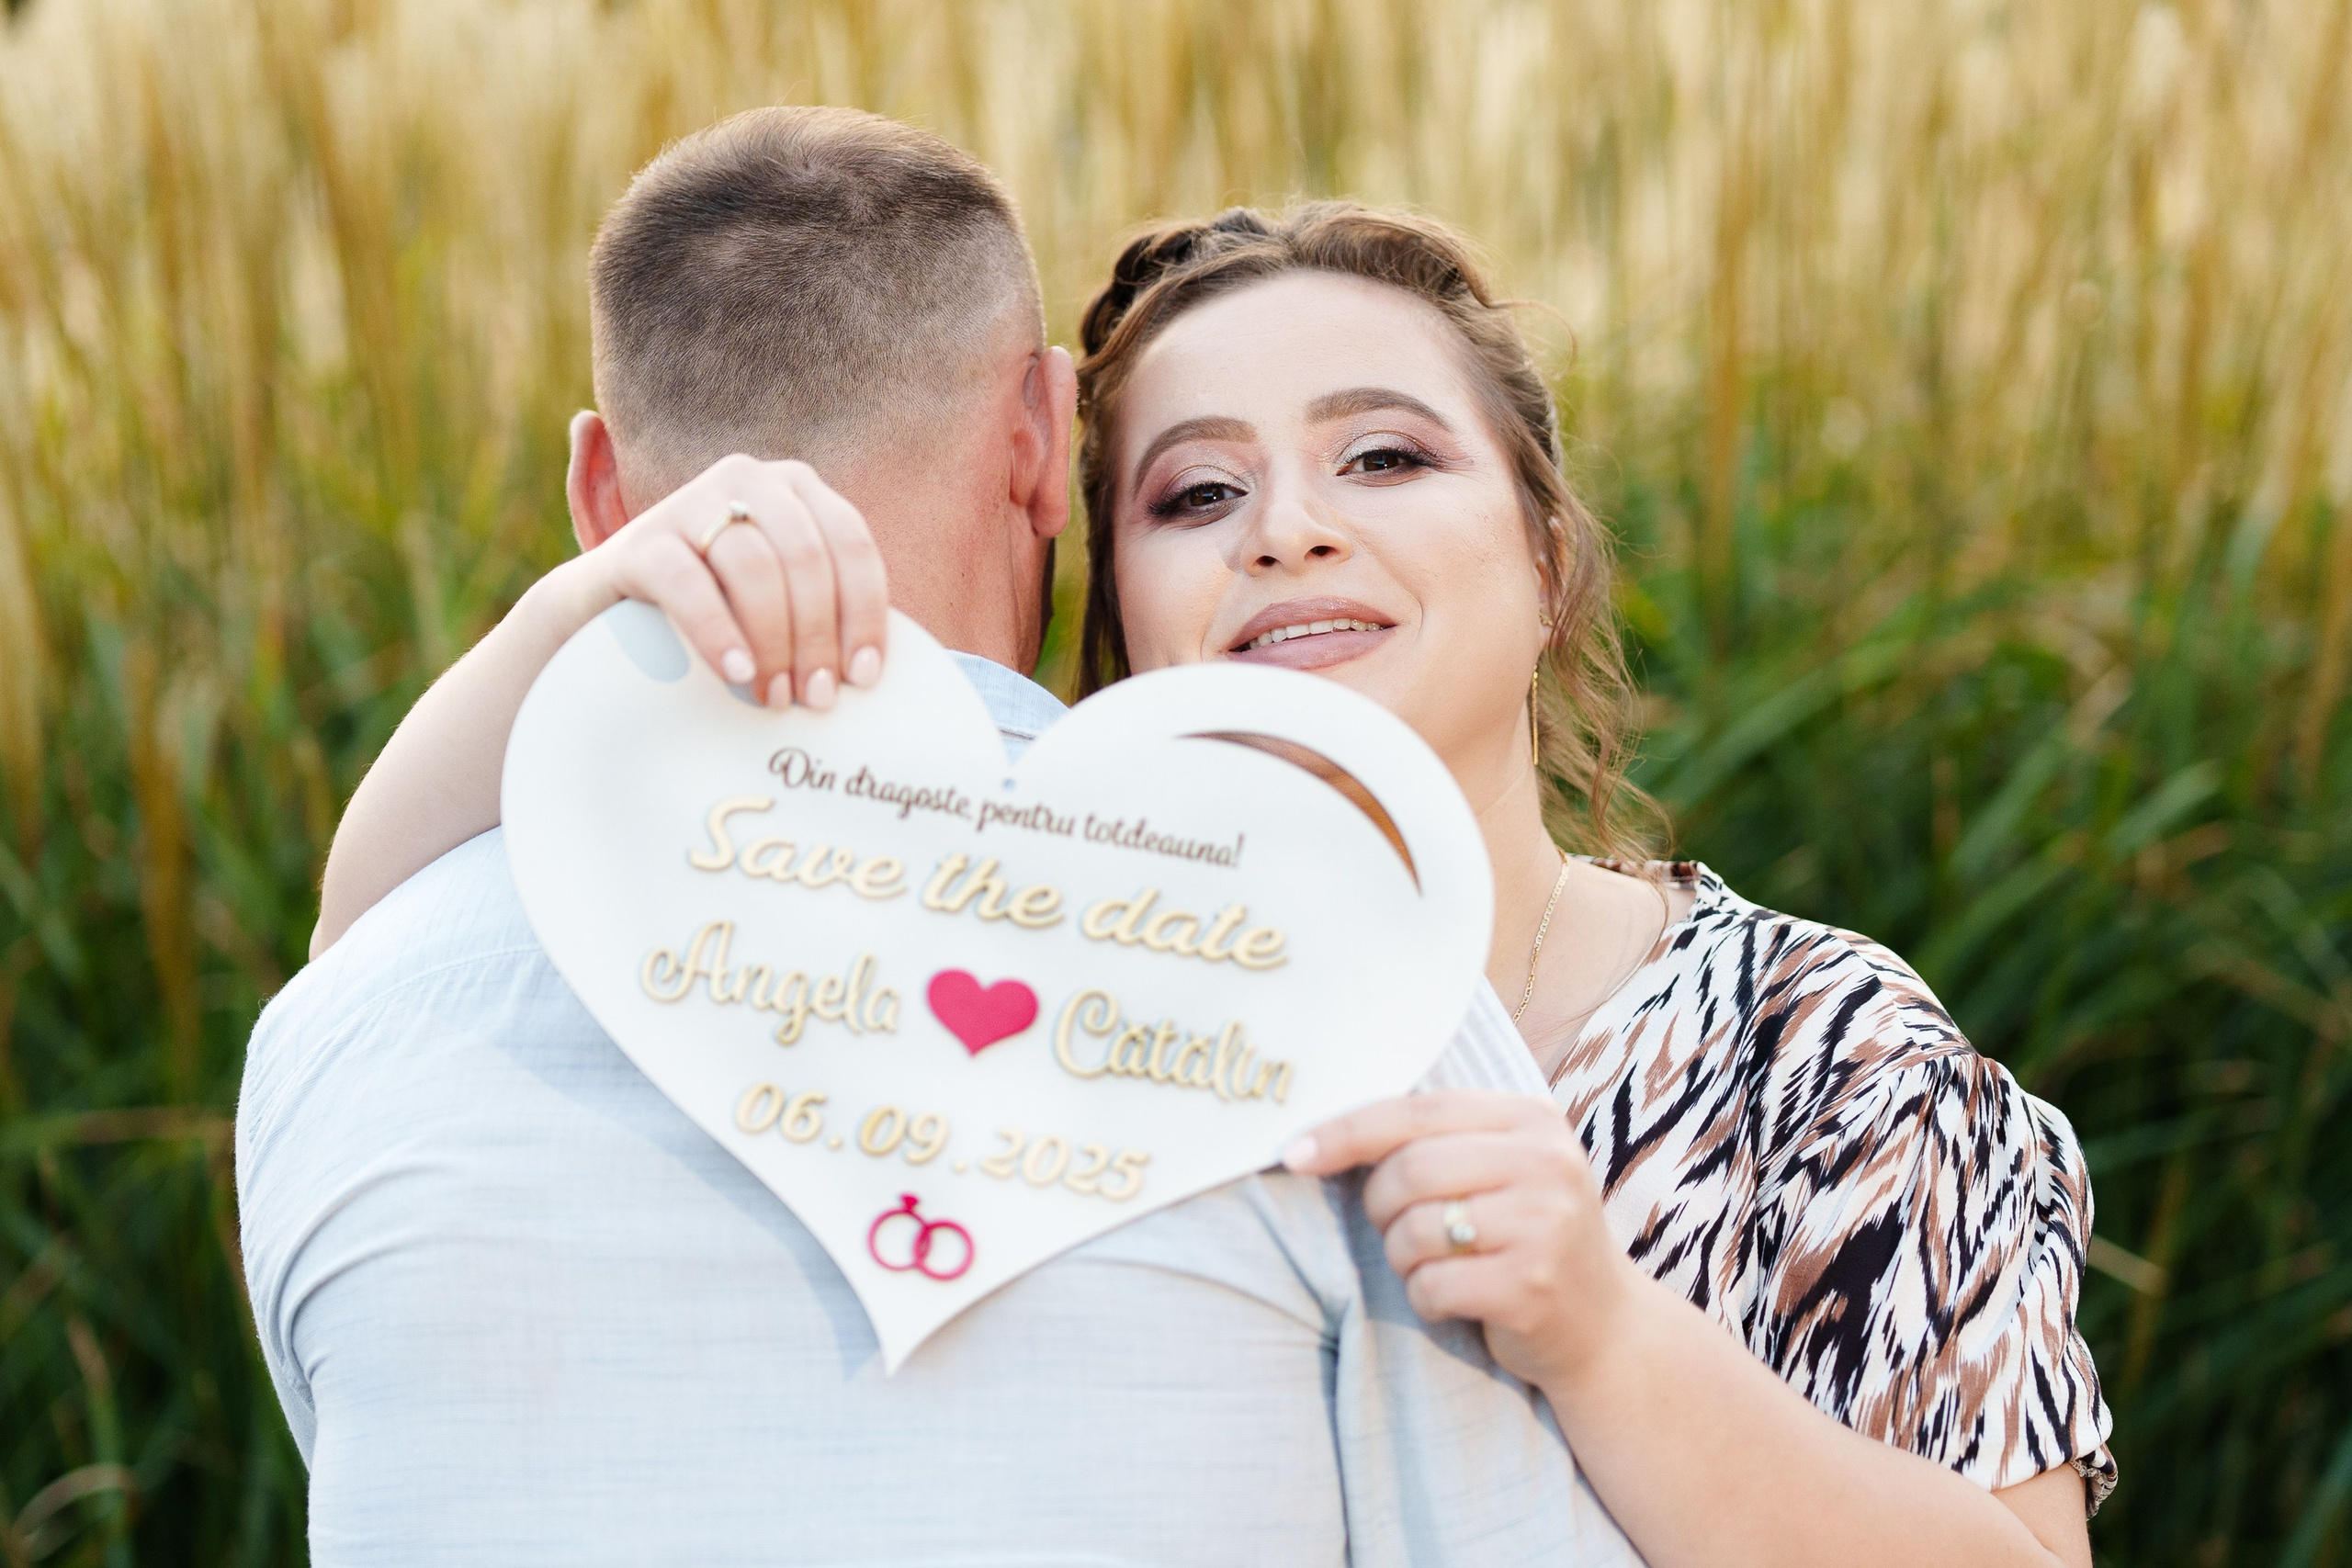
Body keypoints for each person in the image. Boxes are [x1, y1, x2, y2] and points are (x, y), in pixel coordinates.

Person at [303, 139, 2115, 1568]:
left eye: (1385, 458)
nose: (1289, 531)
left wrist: (1604, 1335)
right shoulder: (1056, 984)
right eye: (1192, 493)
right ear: (1095, 572)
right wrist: (588, 610)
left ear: (1548, 556)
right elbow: (389, 970)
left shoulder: (1822, 1051)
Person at [243, 109, 1635, 1565]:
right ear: (1042, 443)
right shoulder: (1347, 976)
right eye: (1207, 489)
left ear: (602, 494)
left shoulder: (345, 1026)